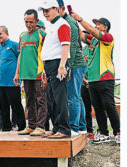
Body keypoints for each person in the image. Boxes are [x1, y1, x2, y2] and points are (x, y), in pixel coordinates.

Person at [71, 12, 120, 144]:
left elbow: (91, 30)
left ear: (105, 27)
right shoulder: (93, 40)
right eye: (95, 24)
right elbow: (82, 35)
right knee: (97, 107)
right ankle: (104, 133)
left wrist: (80, 18)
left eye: (98, 24)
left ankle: (118, 131)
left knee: (109, 105)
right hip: (92, 79)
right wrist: (72, 20)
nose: (96, 26)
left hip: (105, 77)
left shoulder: (108, 38)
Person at [38, 0, 71, 139]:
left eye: (47, 10)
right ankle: (56, 127)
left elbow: (65, 46)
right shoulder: (51, 25)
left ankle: (64, 129)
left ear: (56, 9)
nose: (45, 13)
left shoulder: (62, 24)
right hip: (50, 64)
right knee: (51, 98)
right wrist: (45, 69)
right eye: (43, 11)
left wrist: (62, 66)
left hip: (59, 63)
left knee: (60, 97)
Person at [14, 9, 47, 136]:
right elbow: (20, 55)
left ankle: (41, 126)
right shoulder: (22, 35)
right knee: (29, 101)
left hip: (38, 73)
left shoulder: (42, 35)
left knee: (41, 100)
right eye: (26, 21)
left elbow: (46, 54)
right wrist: (17, 73)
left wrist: (44, 71)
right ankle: (31, 126)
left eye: (31, 22)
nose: (28, 24)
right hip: (25, 74)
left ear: (37, 21)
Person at [57, 0, 88, 137]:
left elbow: (73, 47)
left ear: (62, 9)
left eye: (54, 9)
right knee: (77, 97)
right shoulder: (64, 22)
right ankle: (82, 127)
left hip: (76, 64)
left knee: (73, 97)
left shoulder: (69, 23)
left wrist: (68, 67)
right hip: (76, 63)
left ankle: (74, 127)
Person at [0, 25, 26, 132]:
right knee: (3, 107)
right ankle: (6, 128)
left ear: (7, 34)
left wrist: (19, 77)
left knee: (16, 106)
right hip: (1, 83)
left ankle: (22, 127)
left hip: (12, 82)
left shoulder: (14, 46)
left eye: (0, 34)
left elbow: (21, 60)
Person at [80, 44, 94, 139]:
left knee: (100, 107)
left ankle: (102, 131)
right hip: (85, 84)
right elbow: (80, 66)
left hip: (95, 81)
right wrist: (84, 80)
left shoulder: (98, 47)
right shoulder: (83, 50)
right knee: (86, 108)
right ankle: (89, 130)